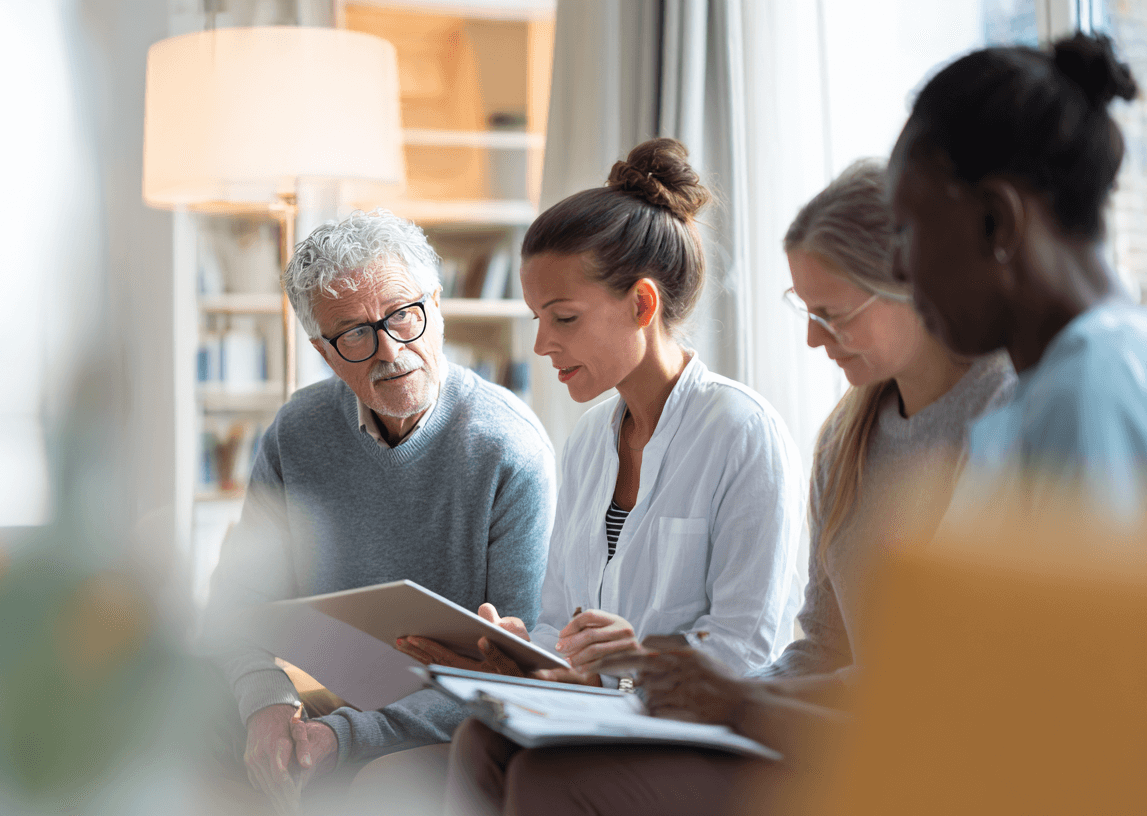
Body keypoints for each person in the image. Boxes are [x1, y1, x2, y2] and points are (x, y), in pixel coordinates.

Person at [444, 158, 1016, 816]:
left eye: (830, 312)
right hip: (777, 723)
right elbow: (820, 643)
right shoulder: (847, 435)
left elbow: (933, 672)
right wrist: (528, 660)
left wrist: (711, 692)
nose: (808, 337)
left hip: (879, 748)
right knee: (481, 742)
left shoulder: (1001, 415)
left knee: (549, 781)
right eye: (804, 310)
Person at [403, 137, 804, 685]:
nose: (542, 345)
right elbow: (560, 627)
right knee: (478, 739)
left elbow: (747, 647)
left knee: (516, 767)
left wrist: (635, 661)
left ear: (642, 304)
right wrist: (519, 654)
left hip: (691, 735)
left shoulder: (743, 432)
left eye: (563, 318)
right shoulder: (590, 440)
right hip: (598, 719)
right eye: (536, 319)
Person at [200, 209, 556, 811]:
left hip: (460, 715)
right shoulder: (298, 431)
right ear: (322, 350)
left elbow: (515, 675)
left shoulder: (508, 448)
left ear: (437, 306)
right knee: (193, 725)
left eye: (404, 316)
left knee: (379, 785)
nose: (390, 350)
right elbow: (235, 604)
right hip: (339, 691)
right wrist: (266, 705)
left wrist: (345, 737)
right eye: (355, 333)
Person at [888, 32, 1147, 524]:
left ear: (996, 220)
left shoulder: (1088, 392)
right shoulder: (1070, 381)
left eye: (905, 231)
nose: (898, 268)